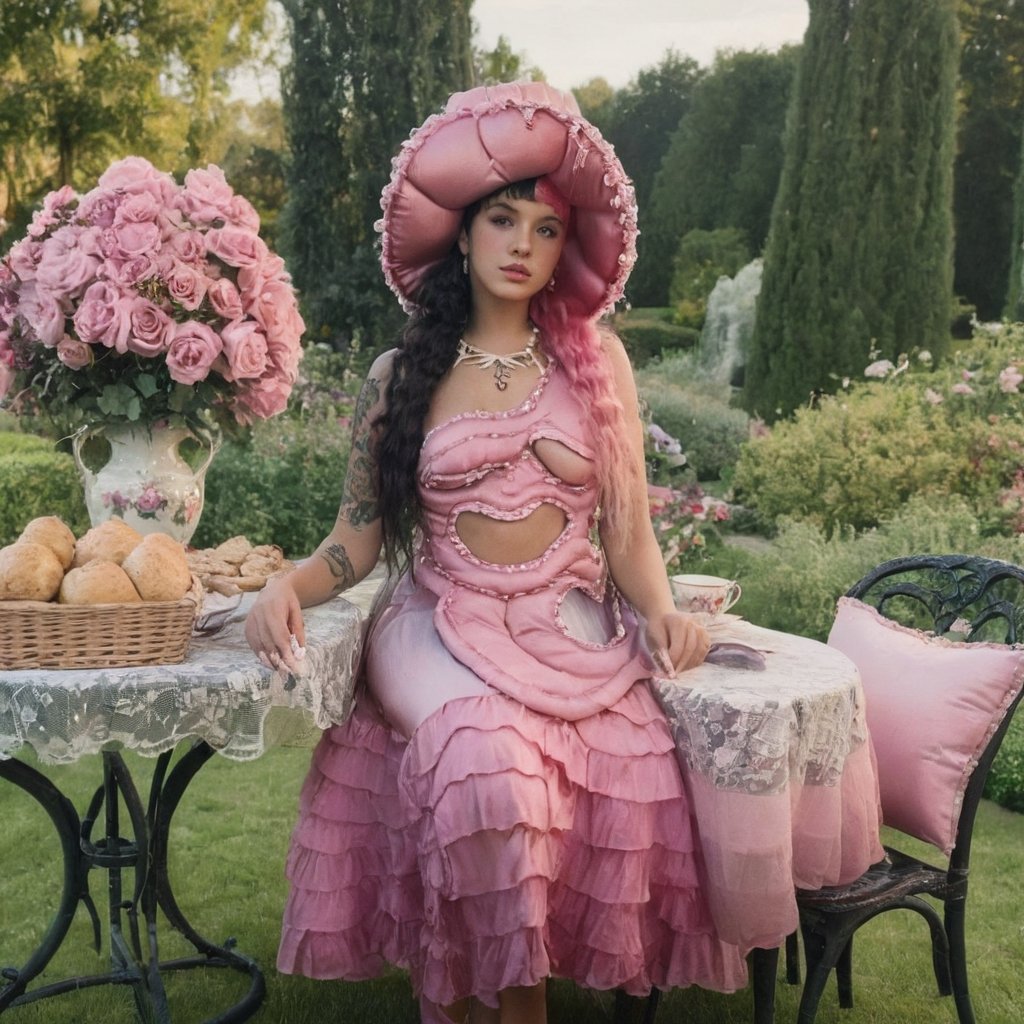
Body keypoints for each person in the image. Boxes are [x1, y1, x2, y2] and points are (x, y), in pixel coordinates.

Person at [245, 81, 746, 1024]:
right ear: (463, 237)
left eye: (546, 229)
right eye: (503, 220)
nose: (523, 244)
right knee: (487, 767)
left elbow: (629, 534)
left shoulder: (599, 367)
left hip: (566, 617)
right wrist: (289, 584)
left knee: (582, 769)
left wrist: (664, 610)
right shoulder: (400, 375)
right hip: (438, 619)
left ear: (564, 249)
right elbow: (356, 538)